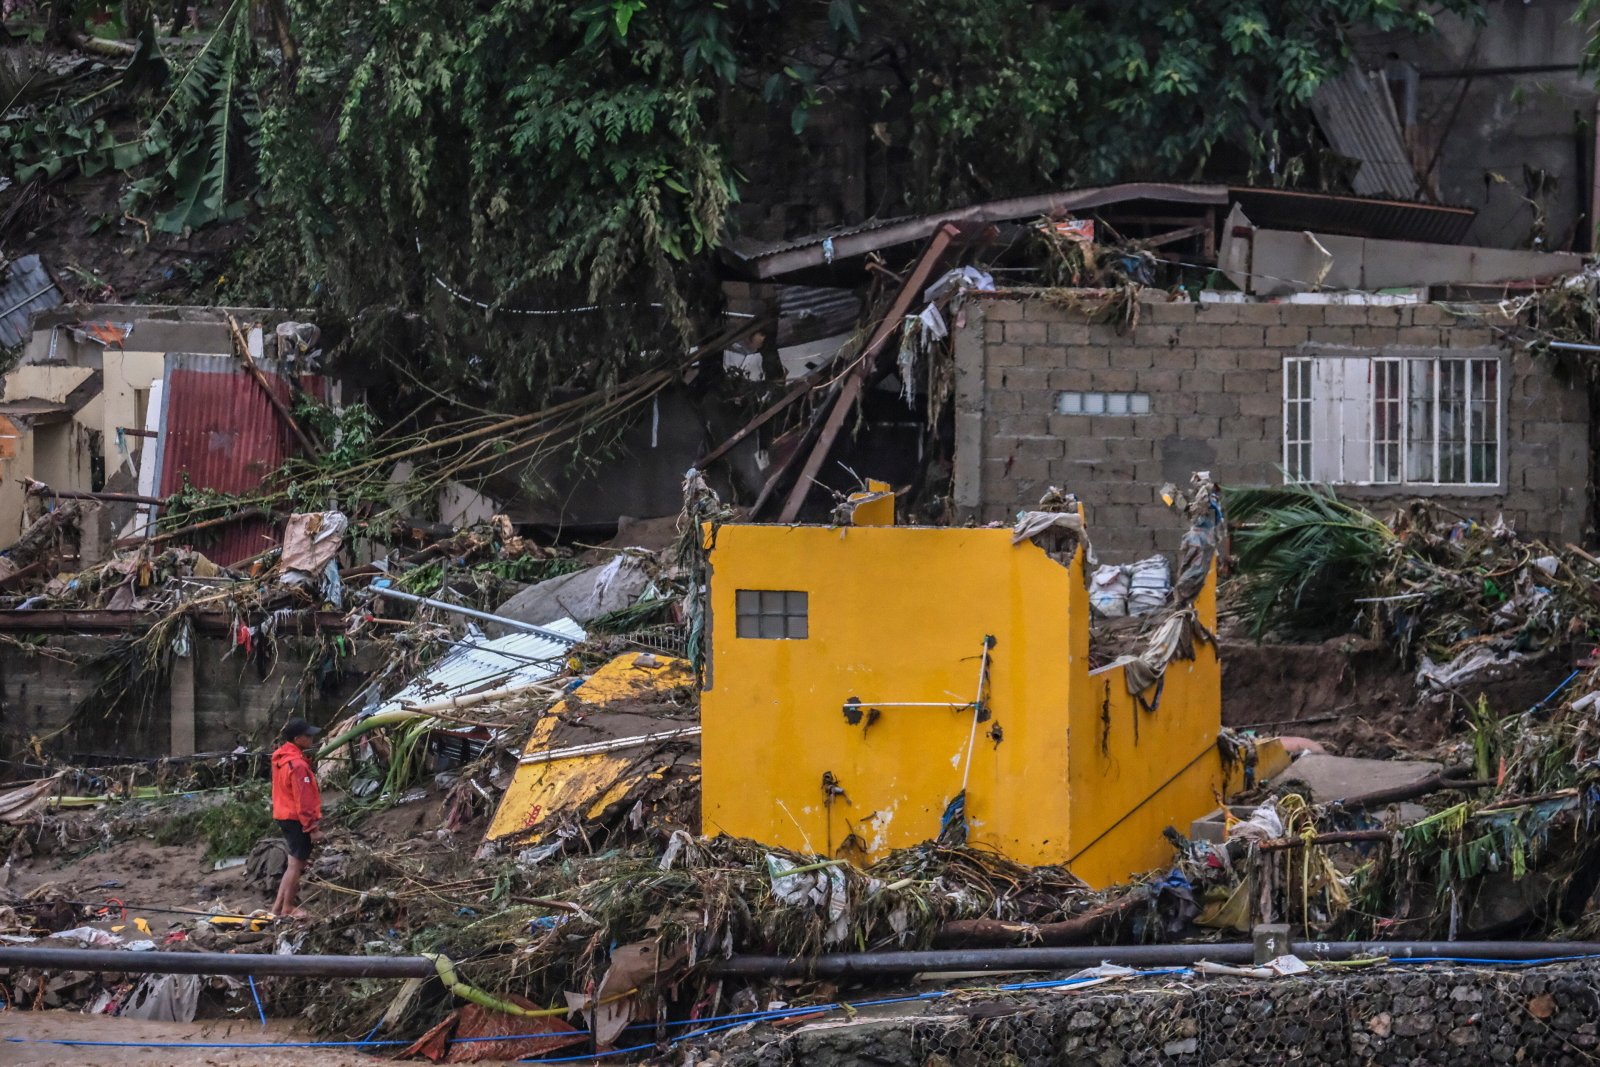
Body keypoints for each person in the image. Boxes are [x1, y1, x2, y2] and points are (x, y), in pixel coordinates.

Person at [270, 717, 323, 919]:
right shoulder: (298, 765)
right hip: (296, 819)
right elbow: (305, 800)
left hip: (283, 815)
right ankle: (288, 907)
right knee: (297, 866)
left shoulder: (280, 758)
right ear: (298, 738)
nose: (312, 738)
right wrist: (313, 828)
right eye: (308, 735)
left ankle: (277, 908)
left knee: (293, 864)